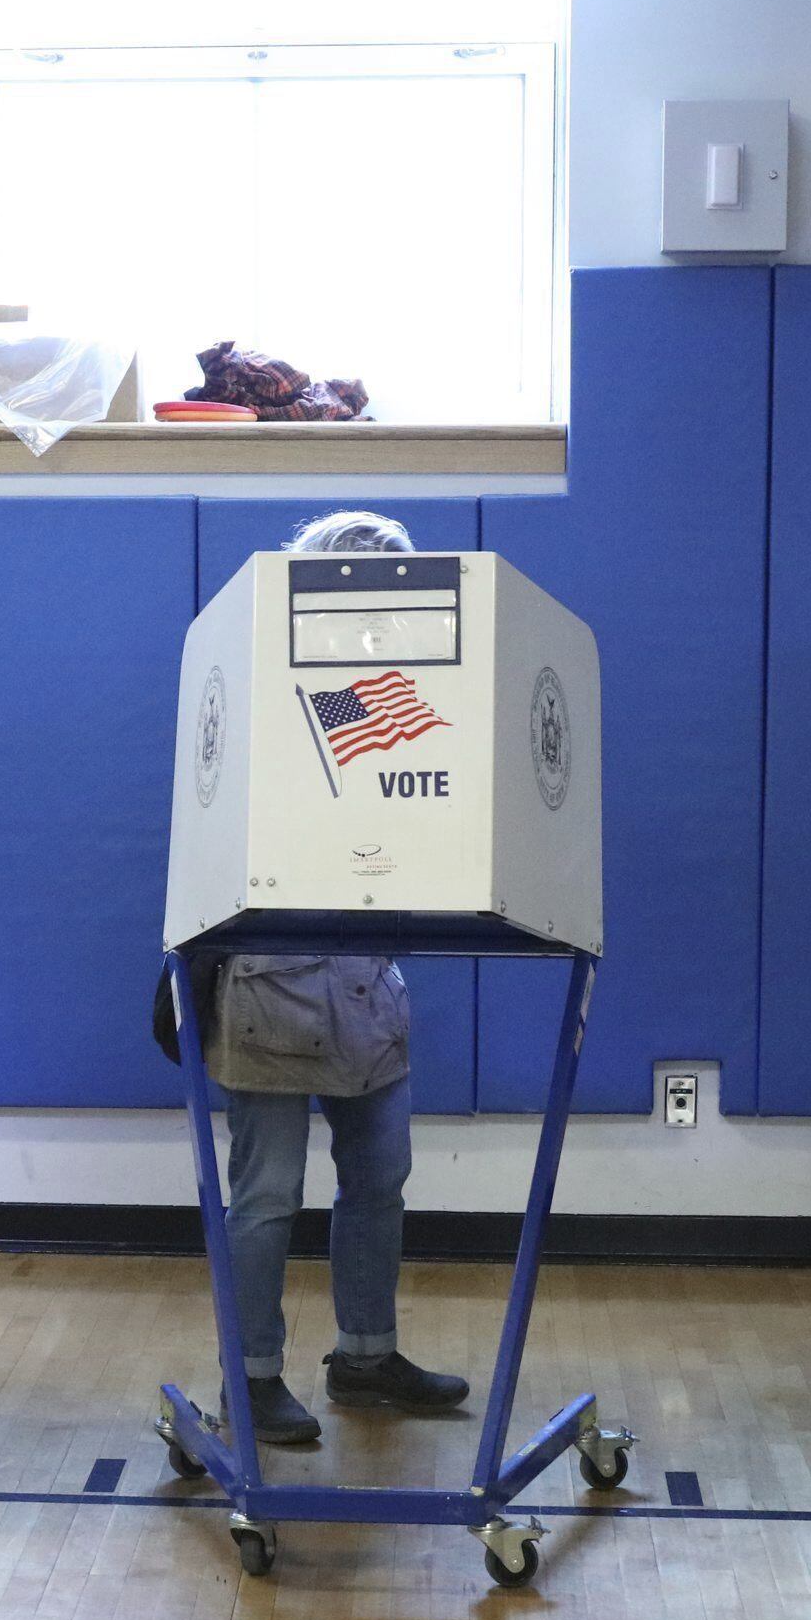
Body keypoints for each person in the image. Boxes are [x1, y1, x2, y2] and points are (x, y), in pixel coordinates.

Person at [192, 510, 472, 1448]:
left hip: (362, 977)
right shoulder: (268, 687)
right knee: (268, 1196)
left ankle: (365, 1356)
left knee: (380, 1182)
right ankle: (251, 1377)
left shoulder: (404, 691)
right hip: (272, 979)